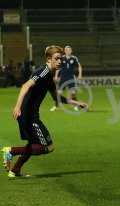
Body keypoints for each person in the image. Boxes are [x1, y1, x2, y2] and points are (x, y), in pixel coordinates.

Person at [2, 46, 87, 178]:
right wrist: (17, 106)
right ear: (49, 59)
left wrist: (77, 103)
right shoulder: (43, 72)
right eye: (57, 59)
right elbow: (25, 85)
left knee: (33, 144)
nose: (60, 61)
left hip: (29, 115)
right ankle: (11, 151)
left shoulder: (50, 76)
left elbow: (57, 98)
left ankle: (15, 170)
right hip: (28, 116)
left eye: (61, 59)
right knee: (47, 146)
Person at [50, 45, 83, 112]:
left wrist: (80, 75)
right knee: (58, 93)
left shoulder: (74, 58)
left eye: (69, 50)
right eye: (67, 50)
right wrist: (56, 76)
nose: (68, 51)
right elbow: (58, 68)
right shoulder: (62, 58)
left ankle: (76, 106)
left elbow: (79, 66)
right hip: (63, 78)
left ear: (71, 51)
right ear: (65, 51)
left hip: (71, 77)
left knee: (73, 93)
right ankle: (56, 106)